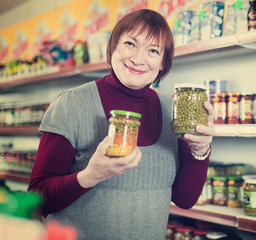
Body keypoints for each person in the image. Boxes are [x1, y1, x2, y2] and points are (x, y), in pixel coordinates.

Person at [28, 9, 215, 240]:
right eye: (130, 43)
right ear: (113, 46)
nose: (138, 58)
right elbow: (36, 199)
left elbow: (185, 200)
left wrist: (200, 150)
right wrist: (90, 176)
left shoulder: (172, 111)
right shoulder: (72, 104)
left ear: (163, 63)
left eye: (153, 50)